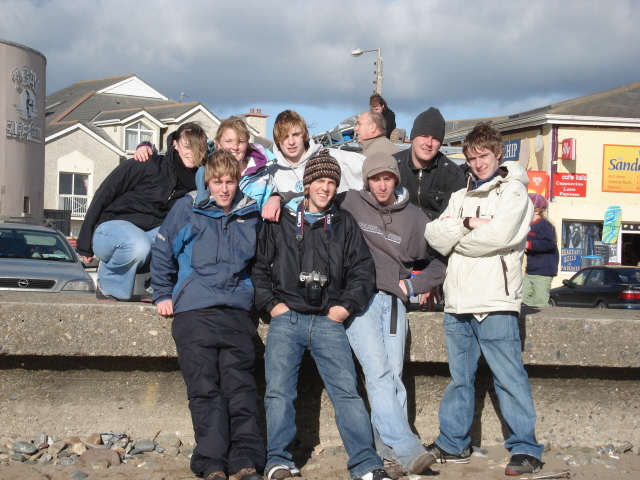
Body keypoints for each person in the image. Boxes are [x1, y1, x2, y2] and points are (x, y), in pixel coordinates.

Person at [252, 151, 391, 480]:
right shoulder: (281, 221)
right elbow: (258, 269)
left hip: (329, 321)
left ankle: (366, 464)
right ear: (308, 183)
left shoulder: (344, 224)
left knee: (347, 393)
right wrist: (272, 305)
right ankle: (278, 460)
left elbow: (362, 271)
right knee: (278, 393)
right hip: (287, 318)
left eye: (331, 182)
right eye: (319, 181)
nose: (325, 188)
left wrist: (344, 308)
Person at [424, 122, 543, 476]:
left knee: (509, 376)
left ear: (498, 153)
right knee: (459, 378)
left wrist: (457, 237)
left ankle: (526, 448)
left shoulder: (514, 193)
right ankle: (453, 442)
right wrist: (468, 224)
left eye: (484, 156)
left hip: (495, 301)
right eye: (472, 158)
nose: (478, 164)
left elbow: (501, 236)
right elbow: (433, 235)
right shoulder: (461, 197)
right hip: (458, 303)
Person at [151, 150, 265, 480]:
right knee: (205, 389)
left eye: (230, 181)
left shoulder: (250, 213)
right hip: (194, 310)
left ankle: (245, 460)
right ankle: (211, 460)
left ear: (238, 181)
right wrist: (162, 293)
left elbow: (259, 264)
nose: (224, 189)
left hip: (235, 311)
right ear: (208, 182)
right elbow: (163, 251)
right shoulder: (187, 207)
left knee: (240, 387)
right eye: (218, 182)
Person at [76, 122, 207, 301]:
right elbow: (104, 193)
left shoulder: (199, 181)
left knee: (184, 237)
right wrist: (84, 243)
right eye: (187, 146)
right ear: (174, 143)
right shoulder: (146, 164)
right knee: (138, 244)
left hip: (152, 235)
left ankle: (156, 287)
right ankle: (108, 285)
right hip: (111, 230)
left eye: (198, 148)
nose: (192, 153)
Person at [135, 117, 277, 209]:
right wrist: (145, 146)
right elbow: (176, 155)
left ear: (247, 144)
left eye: (240, 141)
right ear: (217, 145)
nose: (235, 147)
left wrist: (276, 198)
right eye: (228, 141)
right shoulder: (203, 165)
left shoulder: (265, 170)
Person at [392, 108, 466, 221]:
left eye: (435, 139)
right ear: (413, 137)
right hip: (398, 232)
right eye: (424, 136)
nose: (429, 143)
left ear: (440, 144)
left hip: (434, 234)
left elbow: (449, 222)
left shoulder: (453, 175)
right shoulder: (393, 165)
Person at [267, 110, 365, 194]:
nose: (291, 142)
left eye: (296, 135)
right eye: (285, 136)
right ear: (277, 140)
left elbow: (373, 171)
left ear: (304, 135)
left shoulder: (334, 157)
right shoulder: (271, 173)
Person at [522, 193, 559, 307]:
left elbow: (549, 244)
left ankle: (547, 322)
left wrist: (529, 244)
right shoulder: (528, 226)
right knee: (521, 297)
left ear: (537, 210)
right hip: (531, 270)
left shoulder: (543, 225)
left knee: (540, 303)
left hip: (543, 271)